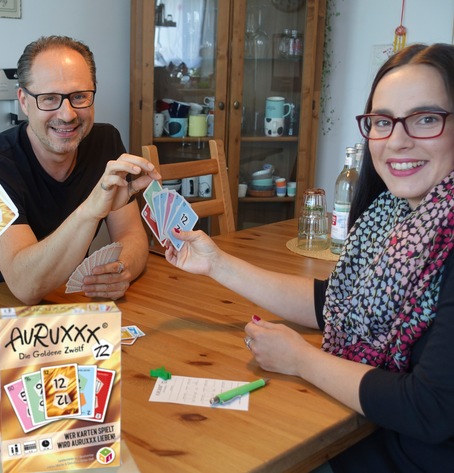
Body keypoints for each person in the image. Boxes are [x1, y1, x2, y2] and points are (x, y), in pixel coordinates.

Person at [165, 43, 454, 471]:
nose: (397, 140)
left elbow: (429, 409)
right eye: (382, 121)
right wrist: (218, 263)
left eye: (425, 118)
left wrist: (301, 360)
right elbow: (332, 302)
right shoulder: (394, 214)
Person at [0, 35, 160, 304]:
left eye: (79, 96)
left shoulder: (105, 142)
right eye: (49, 99)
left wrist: (120, 270)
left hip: (69, 302)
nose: (67, 114)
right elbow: (26, 286)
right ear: (24, 101)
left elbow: (131, 234)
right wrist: (90, 210)